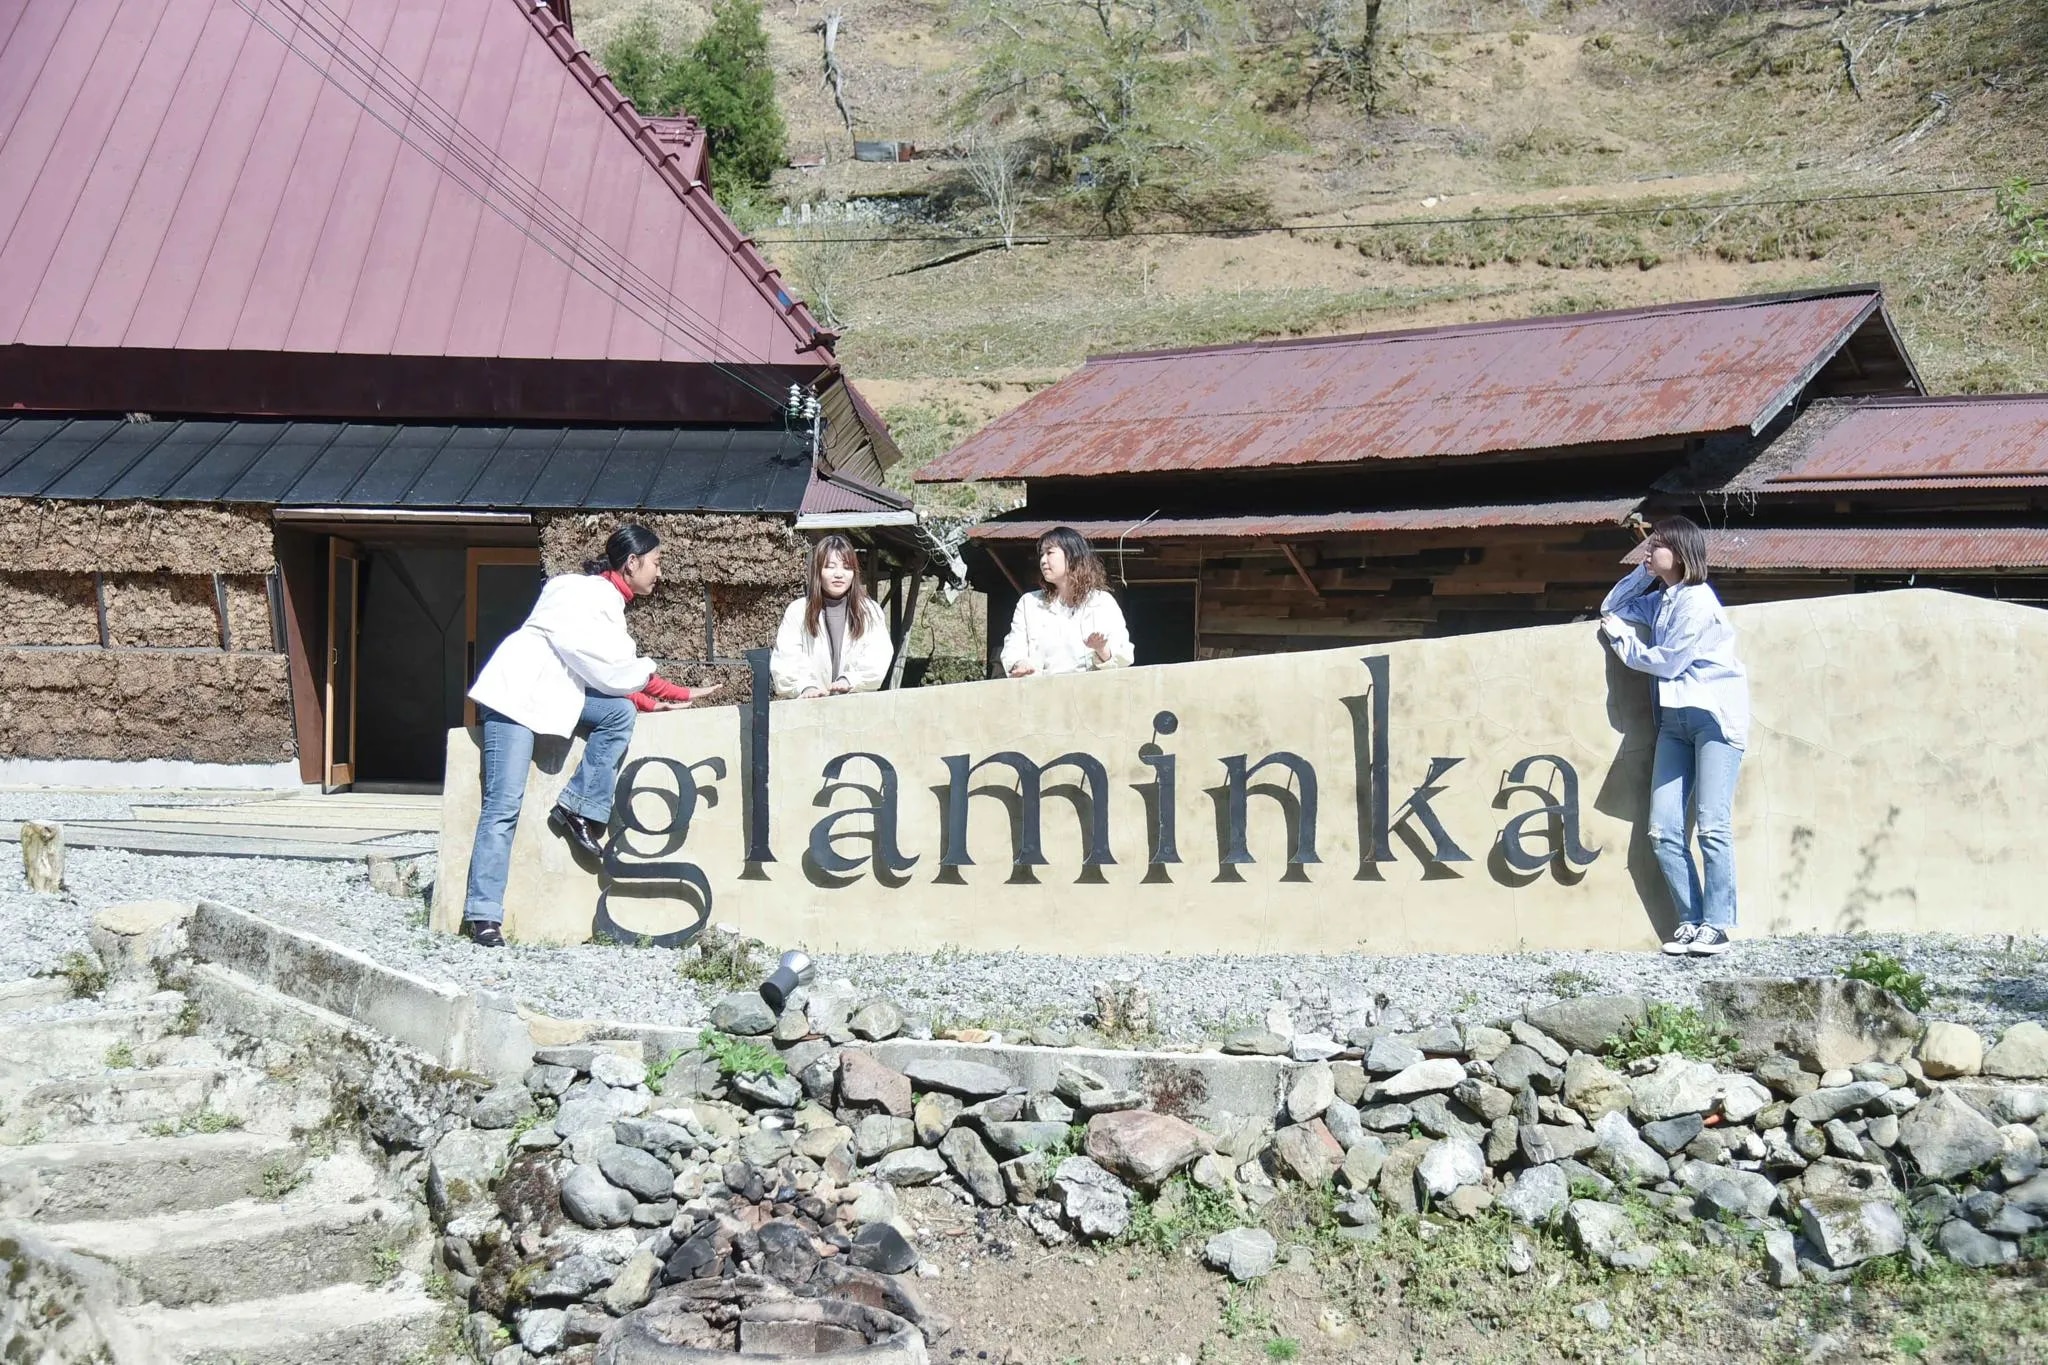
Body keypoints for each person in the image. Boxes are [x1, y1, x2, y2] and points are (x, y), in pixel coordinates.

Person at [460, 524, 718, 947]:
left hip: (556, 693)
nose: (659, 572)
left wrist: (651, 704)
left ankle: (576, 807)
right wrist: (679, 693)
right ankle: (483, 914)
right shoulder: (588, 595)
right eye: (655, 563)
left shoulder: (604, 599)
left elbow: (604, 675)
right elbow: (610, 668)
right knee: (503, 805)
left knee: (618, 713)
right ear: (631, 562)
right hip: (518, 694)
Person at [1600, 515, 1750, 958]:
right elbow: (1611, 607)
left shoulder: (1698, 601)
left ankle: (1717, 925)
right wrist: (1643, 572)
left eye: (1657, 546)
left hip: (1714, 718)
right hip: (1674, 721)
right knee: (1663, 828)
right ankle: (1690, 920)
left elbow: (1667, 663)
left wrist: (1624, 645)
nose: (1647, 551)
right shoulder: (1661, 600)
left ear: (1681, 552)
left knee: (1712, 824)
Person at [769, 534, 893, 699]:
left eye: (846, 567)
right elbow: (786, 660)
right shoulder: (798, 611)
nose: (839, 574)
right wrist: (805, 687)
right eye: (830, 567)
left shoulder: (870, 611)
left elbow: (878, 655)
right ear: (817, 571)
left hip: (857, 704)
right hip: (809, 707)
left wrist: (850, 680)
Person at [1000, 525, 1134, 677]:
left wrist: (1101, 649)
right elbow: (1013, 647)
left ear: (1072, 556)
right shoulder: (1029, 603)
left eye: (1050, 553)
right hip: (1043, 689)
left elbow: (1124, 656)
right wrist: (1019, 663)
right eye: (1041, 554)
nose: (1043, 560)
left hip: (1091, 689)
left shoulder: (1103, 602)